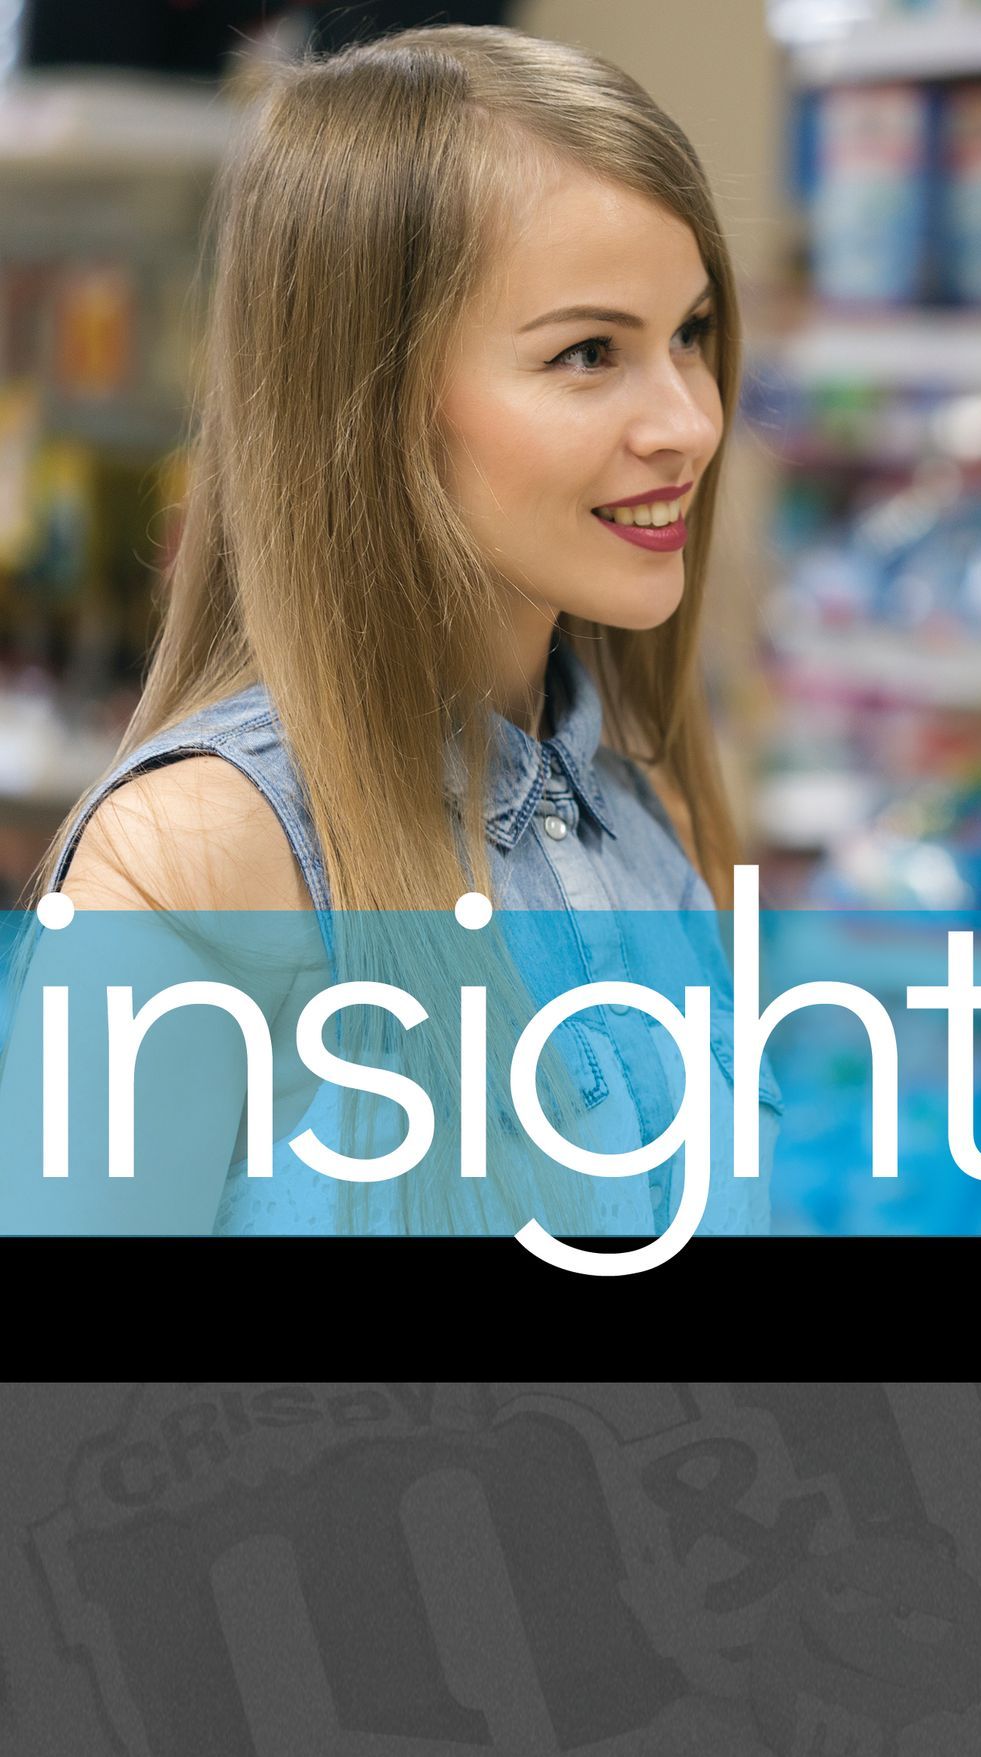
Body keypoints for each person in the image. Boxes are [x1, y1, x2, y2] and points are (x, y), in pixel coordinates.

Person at [9, 24, 778, 1250]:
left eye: (690, 333)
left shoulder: (646, 819)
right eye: (590, 352)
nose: (689, 419)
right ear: (368, 404)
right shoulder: (207, 857)